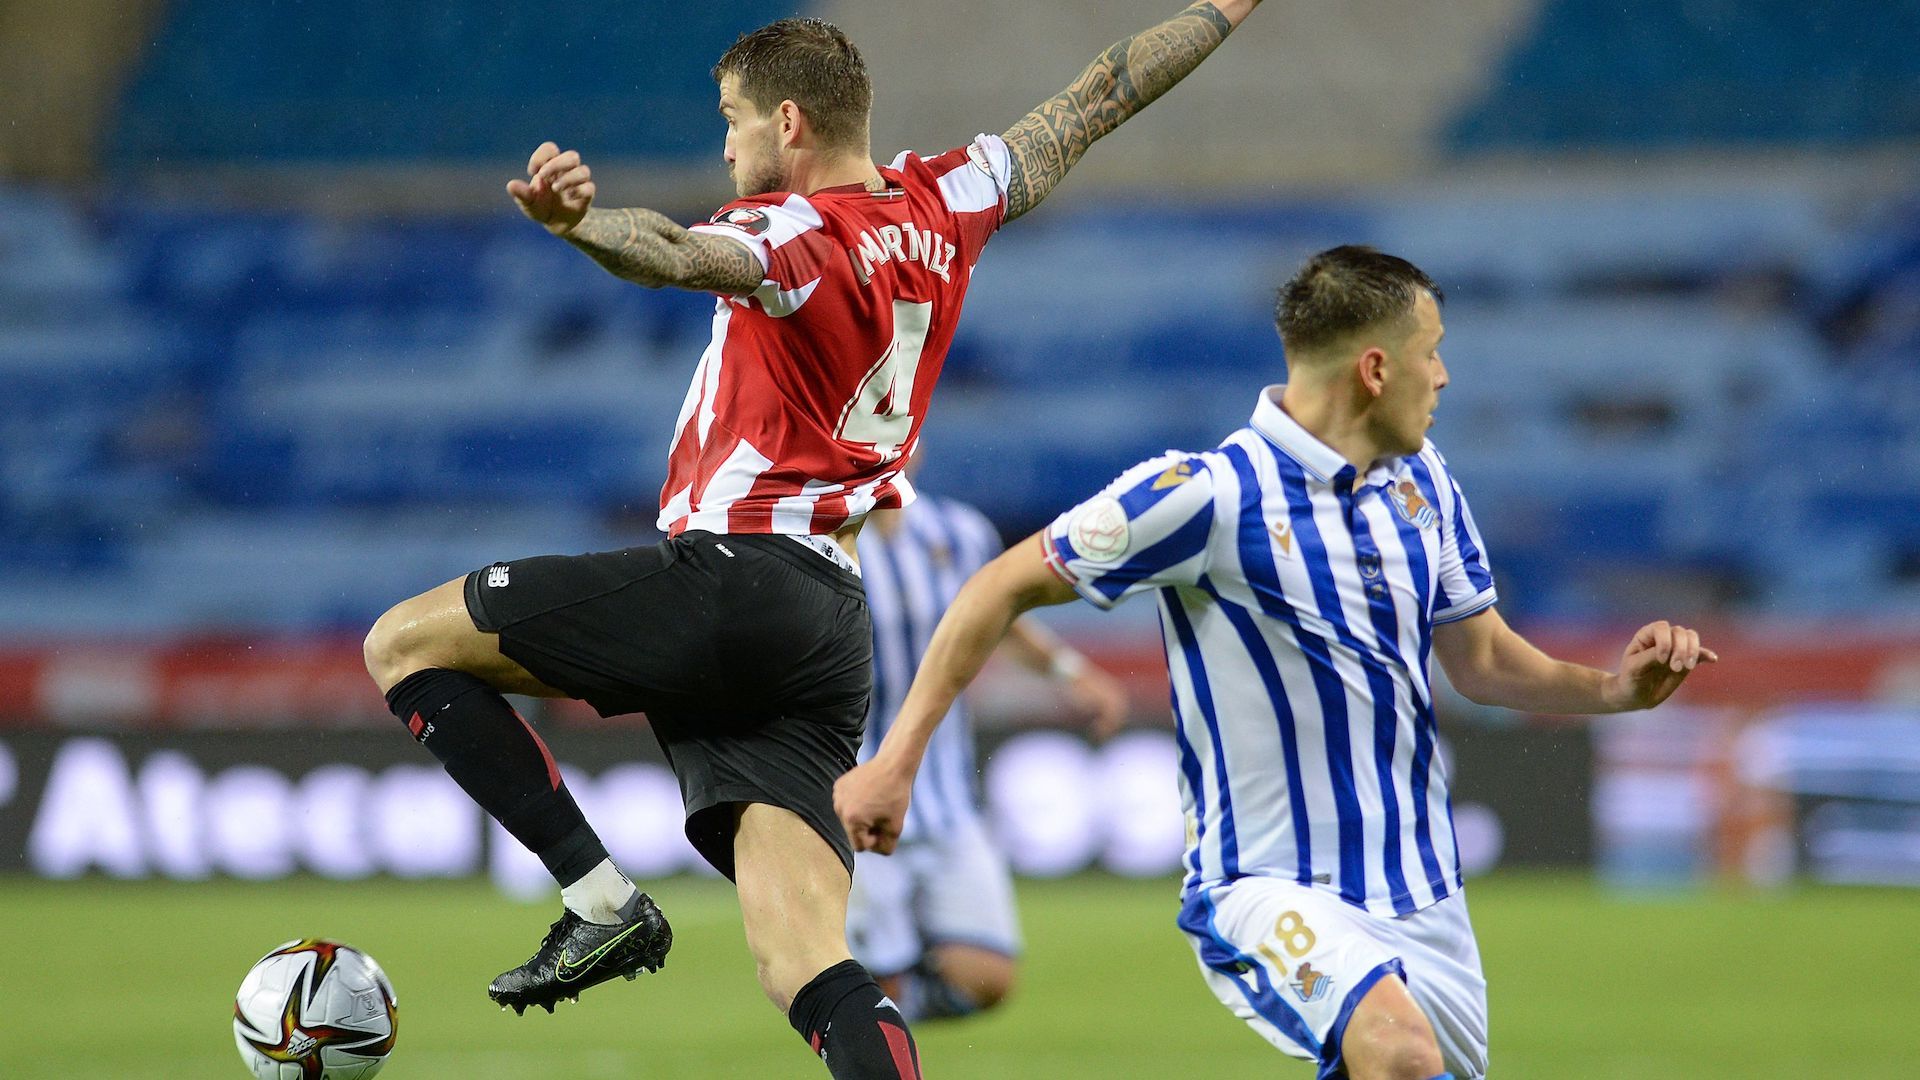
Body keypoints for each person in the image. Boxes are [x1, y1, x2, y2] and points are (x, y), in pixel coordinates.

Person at [359, 3, 1263, 1077]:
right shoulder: (952, 200)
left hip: (736, 573)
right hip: (830, 623)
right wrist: (1222, 11)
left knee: (402, 644)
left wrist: (581, 227)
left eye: (732, 118)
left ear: (787, 122)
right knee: (809, 964)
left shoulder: (795, 232)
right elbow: (1102, 94)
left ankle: (599, 899)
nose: (726, 144)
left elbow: (675, 252)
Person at [835, 245, 1716, 1080]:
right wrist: (896, 761)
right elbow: (995, 587)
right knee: (1400, 1053)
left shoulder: (1424, 484)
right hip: (1269, 887)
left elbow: (1483, 661)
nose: (1444, 375)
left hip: (1423, 895)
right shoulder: (1206, 495)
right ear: (1376, 369)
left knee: (1403, 1062)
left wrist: (1617, 690)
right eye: (1433, 351)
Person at [850, 492, 1129, 1022]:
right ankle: (863, 1028)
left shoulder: (959, 531)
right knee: (876, 977)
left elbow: (999, 616)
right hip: (849, 795)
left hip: (946, 798)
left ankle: (862, 1020)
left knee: (986, 978)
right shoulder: (815, 534)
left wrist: (1069, 671)